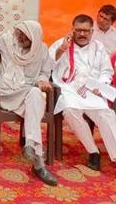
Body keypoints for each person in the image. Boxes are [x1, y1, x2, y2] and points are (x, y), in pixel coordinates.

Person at [0, 20, 57, 186]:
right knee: (35, 102)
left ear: (35, 37)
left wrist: (41, 81)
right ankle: (37, 161)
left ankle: (33, 151)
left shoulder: (42, 50)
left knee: (35, 94)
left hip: (28, 95)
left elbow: (44, 72)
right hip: (7, 93)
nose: (21, 38)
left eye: (26, 36)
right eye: (20, 34)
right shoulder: (8, 43)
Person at [50, 14, 116, 172]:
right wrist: (62, 49)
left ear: (92, 31)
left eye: (86, 31)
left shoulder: (98, 47)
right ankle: (93, 152)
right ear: (72, 30)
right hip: (69, 90)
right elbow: (47, 64)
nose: (82, 34)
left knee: (106, 115)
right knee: (70, 112)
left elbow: (106, 71)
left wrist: (102, 85)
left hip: (92, 91)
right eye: (78, 30)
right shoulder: (62, 43)